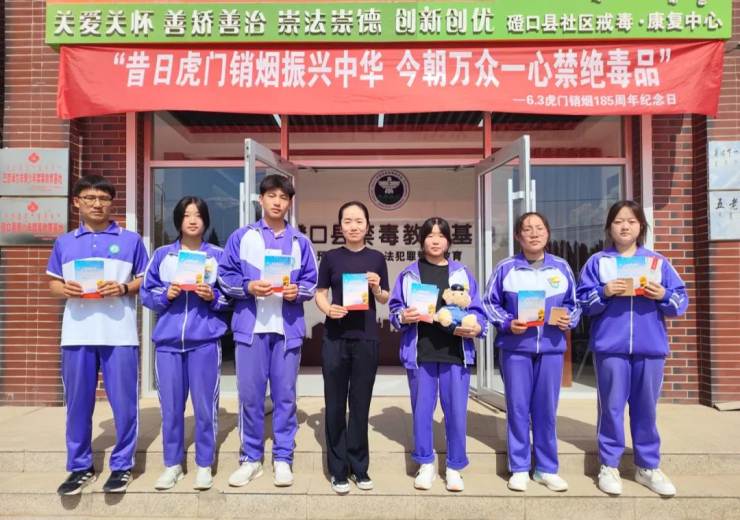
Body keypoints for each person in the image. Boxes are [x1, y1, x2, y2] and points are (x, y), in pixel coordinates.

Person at [577, 200, 688, 497]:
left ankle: (647, 466)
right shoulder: (598, 262)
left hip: (650, 347)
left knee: (646, 409)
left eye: (631, 221)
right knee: (611, 407)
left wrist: (663, 294)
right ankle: (608, 464)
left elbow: (680, 302)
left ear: (641, 226)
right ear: (609, 227)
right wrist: (604, 292)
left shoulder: (658, 262)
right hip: (610, 347)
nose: (624, 227)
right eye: (618, 221)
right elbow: (582, 302)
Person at [47, 175, 149, 495]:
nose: (97, 204)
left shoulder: (130, 240)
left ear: (111, 203)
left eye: (103, 198)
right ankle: (80, 467)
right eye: (90, 198)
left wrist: (124, 287)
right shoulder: (64, 243)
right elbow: (53, 283)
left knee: (124, 403)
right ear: (76, 202)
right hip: (77, 334)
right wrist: (64, 289)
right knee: (77, 404)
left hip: (119, 333)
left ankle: (122, 465)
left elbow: (144, 279)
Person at [218, 174, 317, 488]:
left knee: (285, 396)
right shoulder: (242, 237)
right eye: (271, 195)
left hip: (287, 330)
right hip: (251, 329)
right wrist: (247, 286)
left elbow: (311, 282)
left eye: (283, 197)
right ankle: (250, 459)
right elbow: (224, 275)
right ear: (260, 199)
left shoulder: (300, 242)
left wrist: (297, 292)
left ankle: (283, 457)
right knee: (250, 396)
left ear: (290, 203)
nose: (277, 202)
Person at [483, 212, 580, 493]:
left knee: (546, 409)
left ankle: (546, 469)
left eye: (539, 228)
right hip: (516, 349)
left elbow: (575, 304)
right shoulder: (506, 268)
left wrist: (569, 319)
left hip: (551, 348)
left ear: (548, 233)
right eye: (527, 229)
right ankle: (519, 467)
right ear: (518, 236)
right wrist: (506, 322)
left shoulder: (561, 267)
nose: (534, 234)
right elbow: (489, 303)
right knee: (517, 408)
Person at [388, 217, 487, 492]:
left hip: (456, 352)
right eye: (430, 235)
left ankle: (455, 466)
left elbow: (477, 310)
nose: (435, 240)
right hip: (421, 352)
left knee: (456, 412)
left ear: (448, 241)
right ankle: (426, 464)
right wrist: (403, 316)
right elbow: (395, 310)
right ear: (421, 240)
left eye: (441, 235)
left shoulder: (462, 273)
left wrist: (477, 327)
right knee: (422, 411)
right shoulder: (409, 274)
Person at [140, 196, 232, 491]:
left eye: (198, 215)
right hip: (168, 343)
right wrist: (165, 295)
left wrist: (212, 297)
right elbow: (146, 293)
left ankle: (204, 464)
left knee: (205, 407)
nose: (193, 220)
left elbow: (231, 297)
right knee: (170, 408)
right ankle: (173, 465)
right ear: (178, 220)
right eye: (187, 215)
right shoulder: (162, 255)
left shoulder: (217, 256)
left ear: (206, 221)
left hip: (204, 341)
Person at [315, 201, 390, 494]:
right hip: (335, 336)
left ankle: (359, 467)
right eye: (348, 221)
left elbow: (384, 297)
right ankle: (338, 470)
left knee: (360, 404)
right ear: (340, 226)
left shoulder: (376, 258)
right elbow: (320, 293)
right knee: (335, 404)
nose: (353, 226)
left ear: (367, 225)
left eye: (359, 221)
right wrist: (328, 309)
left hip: (366, 337)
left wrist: (376, 288)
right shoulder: (331, 258)